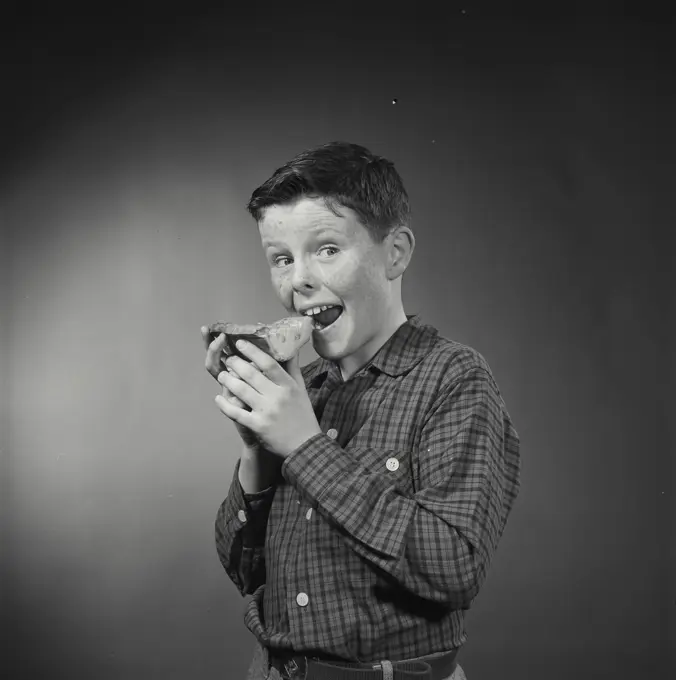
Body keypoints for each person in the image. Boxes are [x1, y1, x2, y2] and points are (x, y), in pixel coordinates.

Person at [202, 142, 521, 680]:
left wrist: (305, 447)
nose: (298, 279)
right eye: (281, 258)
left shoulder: (456, 380)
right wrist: (255, 447)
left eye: (326, 249)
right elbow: (247, 572)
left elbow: (454, 567)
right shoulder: (302, 389)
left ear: (395, 252)